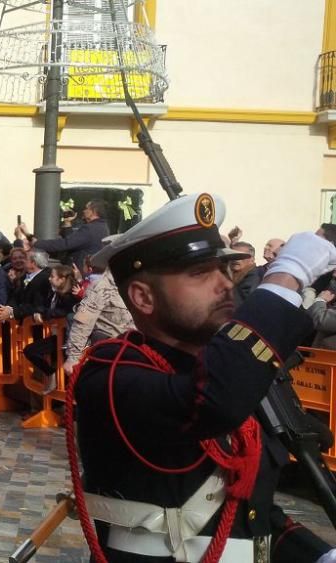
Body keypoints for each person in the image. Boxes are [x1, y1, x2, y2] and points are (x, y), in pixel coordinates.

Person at [71, 193, 334, 562]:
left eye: (224, 269)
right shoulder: (111, 375)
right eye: (200, 273)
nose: (225, 284)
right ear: (143, 297)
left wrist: (319, 555)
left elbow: (248, 512)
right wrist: (284, 280)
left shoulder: (233, 372)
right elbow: (213, 400)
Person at [61, 268, 135, 375]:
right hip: (110, 352)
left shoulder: (141, 283)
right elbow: (83, 321)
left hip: (137, 351)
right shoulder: (101, 286)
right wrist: (73, 357)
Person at [32, 200, 110, 271]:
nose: (83, 211)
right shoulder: (102, 227)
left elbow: (66, 243)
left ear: (94, 212)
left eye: (86, 208)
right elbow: (75, 241)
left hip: (80, 271)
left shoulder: (90, 228)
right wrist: (67, 223)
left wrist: (37, 243)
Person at [229, 241, 261, 308]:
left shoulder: (252, 280)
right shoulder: (232, 275)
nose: (235, 259)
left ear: (252, 260)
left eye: (240, 256)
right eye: (232, 255)